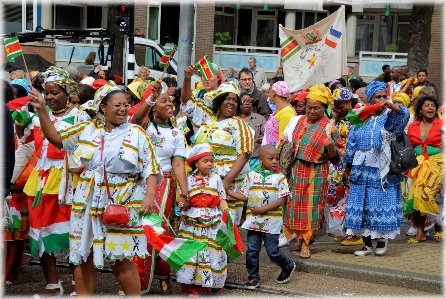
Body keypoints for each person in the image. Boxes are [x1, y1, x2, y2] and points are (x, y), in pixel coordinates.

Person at [28, 81, 162, 296]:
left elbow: (151, 168)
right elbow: (56, 139)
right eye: (117, 105)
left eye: (126, 105)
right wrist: (42, 109)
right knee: (83, 254)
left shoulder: (137, 132)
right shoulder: (87, 129)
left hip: (123, 199)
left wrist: (149, 195)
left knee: (119, 256)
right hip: (87, 198)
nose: (122, 109)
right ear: (103, 107)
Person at [17, 66, 79, 297]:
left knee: (73, 234)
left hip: (67, 182)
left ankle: (77, 284)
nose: (50, 97)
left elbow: (63, 142)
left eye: (56, 92)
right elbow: (24, 140)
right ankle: (53, 285)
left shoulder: (79, 116)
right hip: (40, 182)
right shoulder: (35, 116)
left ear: (68, 92)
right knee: (41, 232)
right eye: (47, 92)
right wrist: (20, 121)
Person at [131, 81, 188, 294]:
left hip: (164, 185)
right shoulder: (143, 126)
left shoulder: (176, 133)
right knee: (138, 229)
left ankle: (163, 274)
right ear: (153, 105)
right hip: (138, 183)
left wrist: (184, 192)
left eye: (169, 99)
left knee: (158, 229)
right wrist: (152, 98)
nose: (169, 102)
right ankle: (136, 281)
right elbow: (136, 118)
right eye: (163, 100)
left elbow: (178, 163)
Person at [343, 81, 410, 256]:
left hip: (382, 170)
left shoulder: (390, 117)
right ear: (368, 99)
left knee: (380, 204)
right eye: (377, 97)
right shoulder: (359, 117)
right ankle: (366, 244)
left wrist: (392, 106)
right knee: (362, 205)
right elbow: (351, 143)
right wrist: (347, 166)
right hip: (360, 168)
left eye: (383, 96)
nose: (381, 100)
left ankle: (382, 239)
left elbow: (405, 115)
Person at [281, 84, 341, 259]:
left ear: (324, 108)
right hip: (295, 169)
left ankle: (307, 242)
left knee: (310, 209)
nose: (312, 111)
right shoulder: (297, 121)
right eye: (309, 107)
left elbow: (336, 158)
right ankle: (299, 239)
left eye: (316, 108)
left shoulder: (329, 127)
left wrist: (330, 147)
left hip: (316, 172)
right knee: (294, 206)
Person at [227, 145, 296, 289]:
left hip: (272, 221)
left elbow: (281, 200)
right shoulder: (251, 176)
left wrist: (262, 209)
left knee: (272, 251)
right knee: (252, 250)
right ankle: (253, 278)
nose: (275, 161)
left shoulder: (280, 177)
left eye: (277, 158)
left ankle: (288, 265)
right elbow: (244, 196)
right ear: (261, 160)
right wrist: (228, 191)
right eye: (270, 158)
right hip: (253, 221)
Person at [190, 81, 254, 225]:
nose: (231, 103)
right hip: (205, 180)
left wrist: (226, 182)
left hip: (229, 181)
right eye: (227, 99)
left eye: (235, 100)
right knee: (205, 220)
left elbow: (244, 154)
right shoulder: (208, 123)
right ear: (219, 102)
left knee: (225, 224)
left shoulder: (238, 123)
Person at [176, 144, 229, 295]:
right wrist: (182, 203)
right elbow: (182, 199)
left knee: (212, 252)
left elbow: (222, 199)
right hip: (191, 224)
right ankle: (191, 286)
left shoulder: (216, 179)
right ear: (195, 162)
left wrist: (227, 214)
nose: (210, 164)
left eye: (212, 161)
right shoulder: (188, 179)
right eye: (205, 161)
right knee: (192, 253)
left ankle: (210, 282)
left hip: (212, 223)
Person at [325, 87, 362, 245]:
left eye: (342, 104)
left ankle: (356, 233)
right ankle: (341, 229)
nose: (339, 107)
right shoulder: (337, 118)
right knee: (338, 196)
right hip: (337, 164)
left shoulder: (359, 114)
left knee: (352, 198)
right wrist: (334, 117)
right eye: (336, 104)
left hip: (353, 163)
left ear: (350, 101)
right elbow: (328, 136)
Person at [405, 96, 443, 243]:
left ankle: (440, 229)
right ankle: (420, 232)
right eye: (427, 105)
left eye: (433, 105)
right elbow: (408, 147)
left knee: (431, 196)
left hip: (438, 164)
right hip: (417, 165)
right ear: (420, 110)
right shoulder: (413, 126)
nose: (430, 108)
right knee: (416, 197)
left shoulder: (442, 124)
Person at [180, 63, 226, 134]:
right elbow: (185, 101)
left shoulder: (225, 97)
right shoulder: (197, 95)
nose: (206, 78)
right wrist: (187, 78)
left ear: (218, 77)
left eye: (210, 75)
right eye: (204, 75)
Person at [262, 81, 296, 147]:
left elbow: (283, 141)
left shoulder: (286, 113)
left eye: (269, 92)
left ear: (274, 93)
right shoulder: (279, 110)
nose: (268, 94)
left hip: (275, 155)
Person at [239, 93, 265, 170]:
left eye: (249, 101)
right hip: (238, 158)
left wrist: (262, 138)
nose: (247, 103)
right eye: (244, 101)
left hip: (255, 159)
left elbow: (267, 136)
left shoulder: (260, 118)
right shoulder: (234, 119)